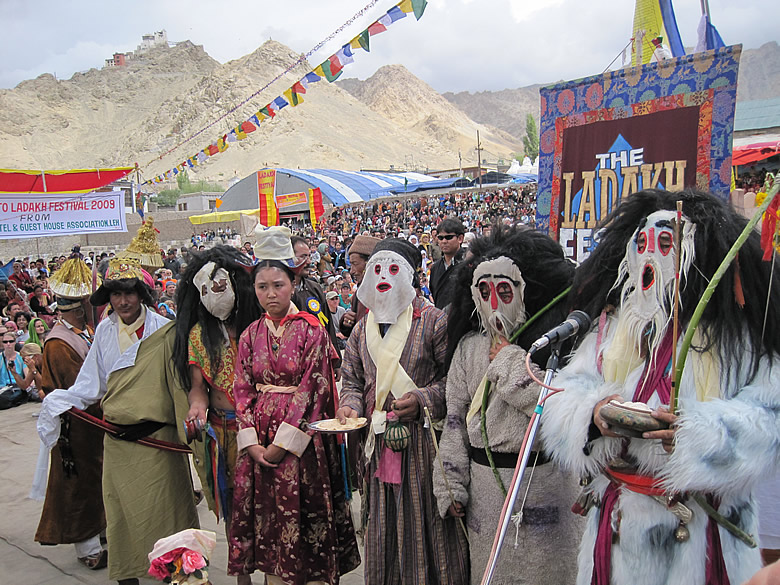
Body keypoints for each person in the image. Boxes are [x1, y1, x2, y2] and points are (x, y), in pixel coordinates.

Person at [540, 189, 780, 585]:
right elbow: (569, 387)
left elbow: (770, 416)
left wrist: (691, 433)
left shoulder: (740, 338)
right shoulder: (611, 329)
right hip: (619, 533)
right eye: (643, 243)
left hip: (703, 531)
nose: (651, 254)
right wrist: (594, 414)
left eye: (666, 243)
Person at [433, 226, 581, 584]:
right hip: (486, 490)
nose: (494, 302)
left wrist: (512, 362)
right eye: (484, 291)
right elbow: (454, 417)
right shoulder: (468, 348)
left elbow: (562, 412)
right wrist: (450, 483)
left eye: (504, 290)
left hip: (544, 484)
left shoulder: (559, 346)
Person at [38, 258, 198, 585]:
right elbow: (90, 385)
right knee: (121, 518)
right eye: (115, 294)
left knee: (169, 516)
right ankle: (130, 576)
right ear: (107, 297)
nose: (123, 301)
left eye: (129, 293)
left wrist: (190, 434)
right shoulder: (105, 333)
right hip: (118, 443)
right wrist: (59, 400)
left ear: (142, 294)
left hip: (157, 442)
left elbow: (181, 391)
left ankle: (183, 577)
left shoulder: (164, 332)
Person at [228, 226, 360, 584]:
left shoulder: (311, 331)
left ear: (293, 285)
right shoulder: (249, 335)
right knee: (268, 517)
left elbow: (313, 390)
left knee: (303, 513)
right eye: (262, 287)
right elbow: (241, 389)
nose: (271, 294)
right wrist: (251, 441)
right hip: (258, 444)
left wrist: (281, 444)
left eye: (278, 285)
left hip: (301, 446)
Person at [338, 238, 468, 585]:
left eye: (392, 269)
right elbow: (351, 376)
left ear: (409, 276)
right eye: (377, 269)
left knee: (424, 523)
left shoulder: (434, 322)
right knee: (382, 526)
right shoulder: (361, 330)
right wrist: (349, 404)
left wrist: (424, 398)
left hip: (423, 447)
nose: (383, 277)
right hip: (376, 444)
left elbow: (454, 381)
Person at [173, 246, 260, 585]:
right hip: (224, 433)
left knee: (266, 506)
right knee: (235, 508)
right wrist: (197, 408)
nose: (213, 296)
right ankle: (243, 578)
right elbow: (198, 388)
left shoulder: (259, 326)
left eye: (219, 287)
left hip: (261, 428)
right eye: (204, 290)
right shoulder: (198, 335)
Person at [34, 283, 107, 569]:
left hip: (93, 423)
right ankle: (86, 547)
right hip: (75, 425)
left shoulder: (82, 333)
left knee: (98, 480)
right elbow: (78, 386)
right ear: (77, 310)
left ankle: (100, 530)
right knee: (79, 484)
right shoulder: (58, 343)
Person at [290, 235, 341, 370]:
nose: (308, 262)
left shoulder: (314, 288)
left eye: (308, 256)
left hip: (319, 362)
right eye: (302, 257)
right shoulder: (280, 293)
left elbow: (328, 325)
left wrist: (336, 363)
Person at [339, 234, 380, 338]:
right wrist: (347, 322)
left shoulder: (386, 292)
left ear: (370, 264)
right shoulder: (361, 291)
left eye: (355, 264)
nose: (352, 271)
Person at [429, 218, 466, 310]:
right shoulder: (435, 268)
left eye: (449, 237)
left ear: (460, 238)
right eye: (440, 238)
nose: (444, 241)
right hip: (441, 320)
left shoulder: (469, 263)